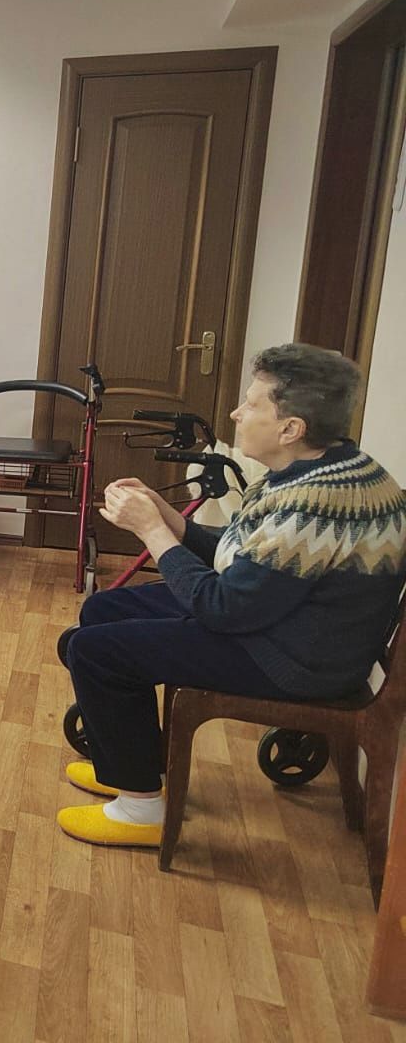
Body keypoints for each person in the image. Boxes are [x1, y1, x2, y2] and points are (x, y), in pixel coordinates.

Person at [59, 344, 406, 848]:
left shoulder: (314, 503)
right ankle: (134, 765)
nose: (236, 413)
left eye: (252, 404)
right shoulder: (330, 469)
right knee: (103, 609)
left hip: (293, 659)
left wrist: (153, 533)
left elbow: (220, 607)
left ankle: (140, 809)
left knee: (95, 651)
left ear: (291, 429)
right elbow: (249, 556)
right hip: (284, 623)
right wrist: (171, 518)